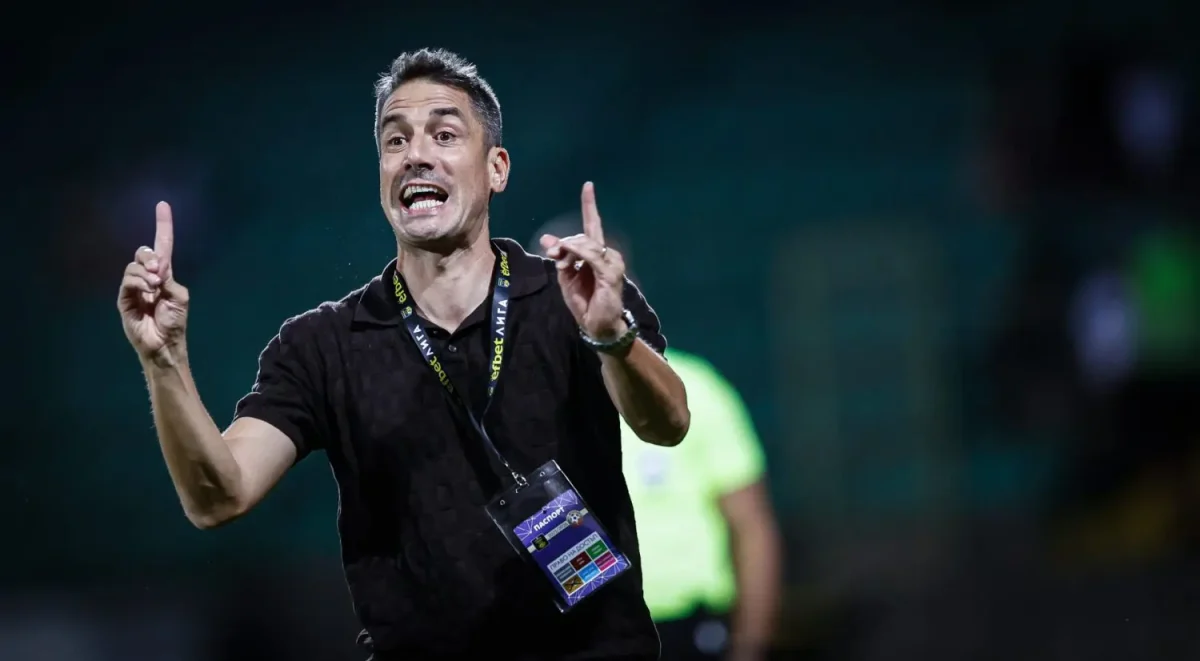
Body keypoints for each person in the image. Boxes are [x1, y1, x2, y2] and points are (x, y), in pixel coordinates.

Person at [117, 48, 690, 661]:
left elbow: (668, 424)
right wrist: (164, 361)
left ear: (496, 168)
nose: (415, 154)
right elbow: (218, 497)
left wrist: (611, 336)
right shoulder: (323, 345)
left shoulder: (573, 296)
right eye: (395, 141)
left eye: (444, 134)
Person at [531, 221, 782, 661]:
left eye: (596, 274)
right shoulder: (525, 404)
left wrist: (750, 646)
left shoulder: (696, 388)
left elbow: (751, 526)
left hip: (688, 632)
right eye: (562, 280)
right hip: (582, 633)